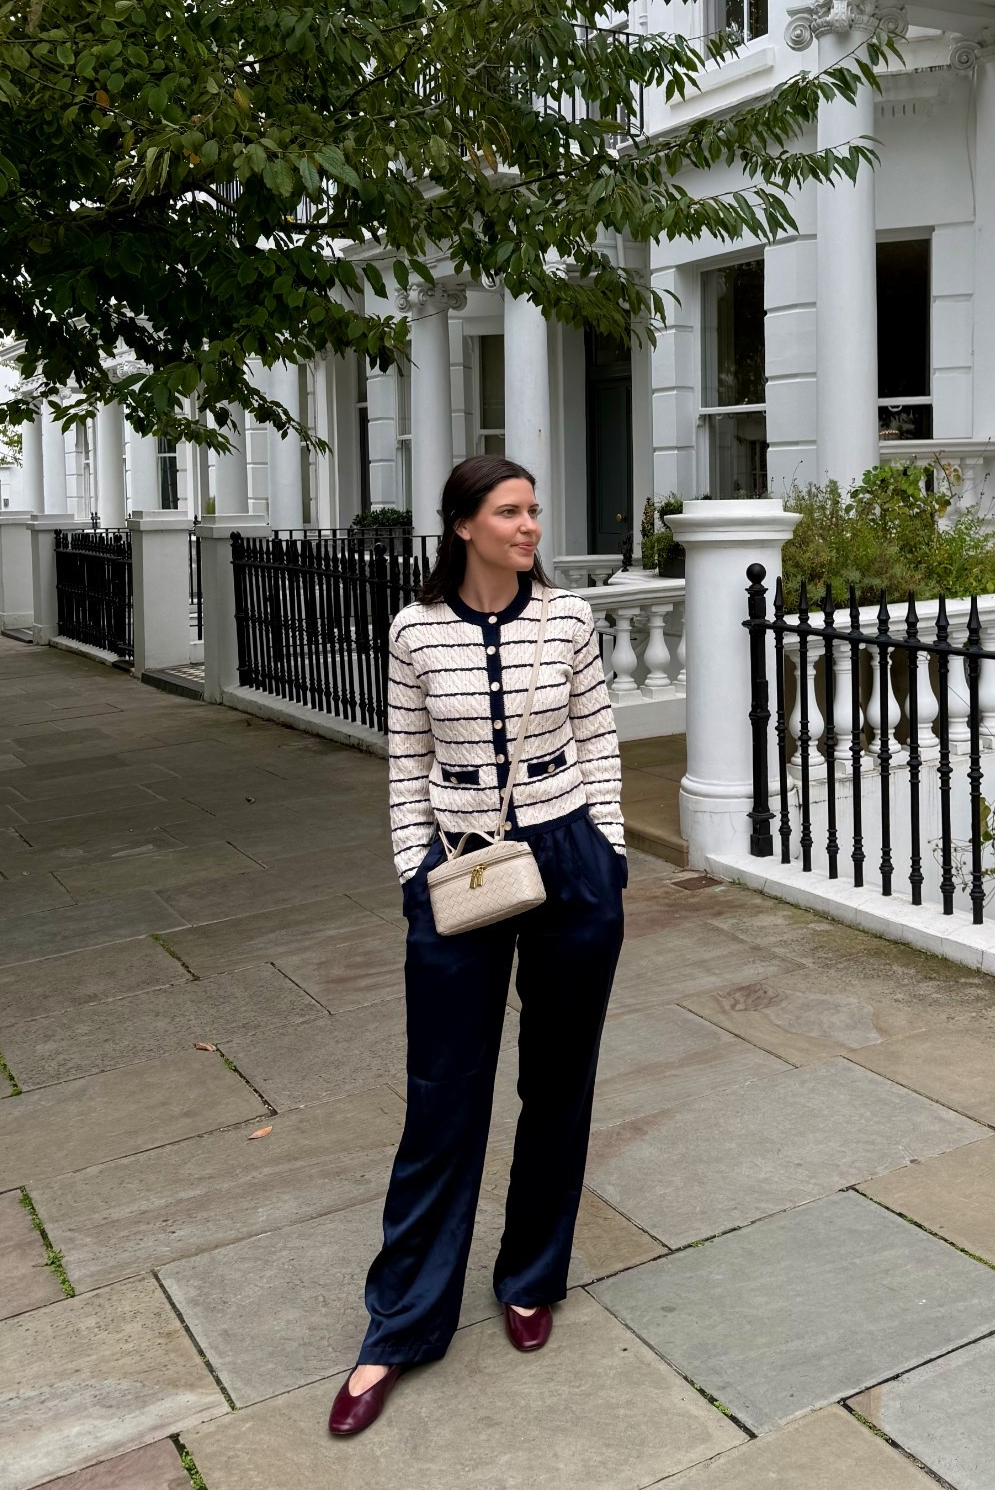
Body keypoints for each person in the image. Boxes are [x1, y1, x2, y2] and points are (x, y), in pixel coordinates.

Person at [328, 454, 626, 1438]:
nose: (529, 524)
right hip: (460, 868)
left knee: (557, 1081)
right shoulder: (414, 630)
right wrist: (414, 869)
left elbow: (598, 737)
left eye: (534, 507)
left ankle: (532, 1275)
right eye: (510, 510)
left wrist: (611, 850)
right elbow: (406, 756)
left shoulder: (569, 620)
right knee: (442, 1098)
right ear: (463, 524)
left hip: (571, 861)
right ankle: (400, 1325)